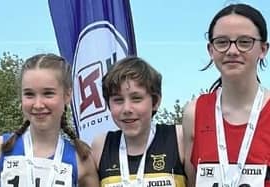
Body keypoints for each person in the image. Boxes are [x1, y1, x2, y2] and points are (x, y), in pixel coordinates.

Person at [182, 3, 270, 187]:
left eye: (244, 42)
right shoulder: (194, 112)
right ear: (211, 50)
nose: (232, 51)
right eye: (222, 42)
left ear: (263, 49)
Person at [0, 53, 99, 187]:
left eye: (48, 93)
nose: (38, 104)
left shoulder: (82, 160)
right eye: (29, 94)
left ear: (67, 95)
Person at [91, 56, 186, 186]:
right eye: (118, 100)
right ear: (108, 104)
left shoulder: (179, 138)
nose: (127, 109)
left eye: (136, 99)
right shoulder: (100, 145)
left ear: (155, 101)